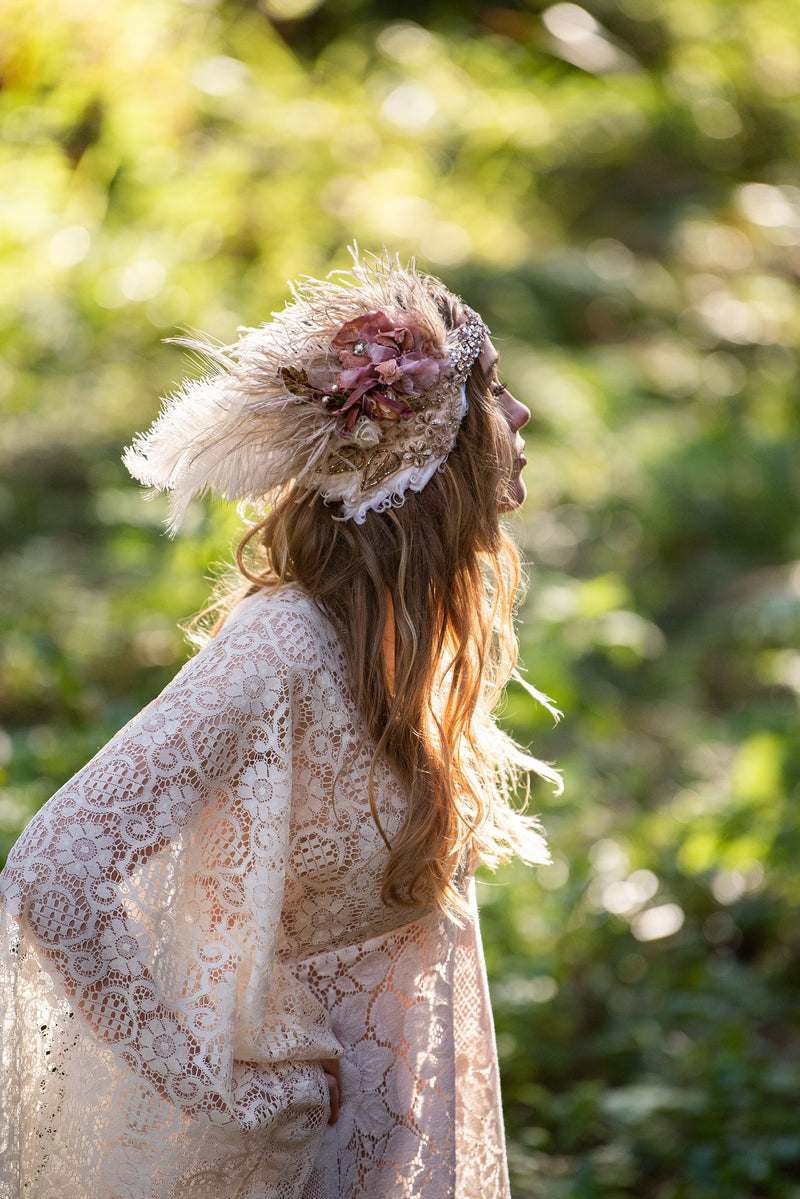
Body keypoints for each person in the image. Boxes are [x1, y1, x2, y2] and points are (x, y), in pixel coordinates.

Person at [0, 250, 559, 1198]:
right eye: (493, 390)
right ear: (423, 451)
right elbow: (56, 870)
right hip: (297, 1150)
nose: (521, 416)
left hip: (389, 1116)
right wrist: (217, 1086)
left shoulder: (397, 636)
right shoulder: (284, 647)